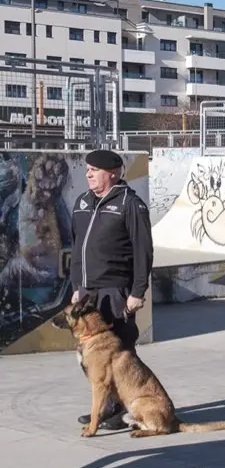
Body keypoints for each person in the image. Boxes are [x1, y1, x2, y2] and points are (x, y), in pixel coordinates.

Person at [70, 149, 153, 431]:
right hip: (88, 292)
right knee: (95, 357)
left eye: (94, 169)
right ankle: (104, 406)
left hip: (116, 290)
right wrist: (77, 287)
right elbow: (77, 246)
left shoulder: (131, 203)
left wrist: (138, 291)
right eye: (87, 169)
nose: (88, 173)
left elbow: (144, 251)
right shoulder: (82, 202)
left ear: (113, 173)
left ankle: (120, 408)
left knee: (120, 351)